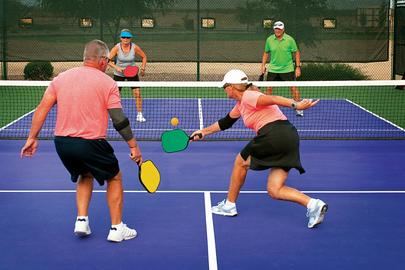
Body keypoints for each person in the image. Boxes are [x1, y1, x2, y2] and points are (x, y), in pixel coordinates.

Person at [20, 40, 142, 242]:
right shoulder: (108, 83)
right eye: (108, 60)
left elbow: (42, 107)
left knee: (85, 175)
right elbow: (119, 119)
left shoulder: (61, 78)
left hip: (62, 143)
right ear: (103, 60)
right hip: (91, 143)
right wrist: (134, 146)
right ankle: (117, 228)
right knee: (115, 177)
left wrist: (32, 137)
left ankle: (82, 221)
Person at [190, 69, 328, 229]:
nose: (224, 90)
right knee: (274, 189)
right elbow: (226, 122)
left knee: (240, 161)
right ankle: (313, 204)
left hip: (274, 134)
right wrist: (203, 132)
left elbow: (273, 98)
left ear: (231, 87)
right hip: (289, 137)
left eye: (225, 86)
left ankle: (229, 205)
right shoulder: (241, 104)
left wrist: (296, 104)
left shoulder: (250, 96)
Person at [261, 21, 304, 117]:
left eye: (279, 29)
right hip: (273, 69)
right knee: (268, 89)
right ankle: (267, 108)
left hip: (287, 69)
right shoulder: (269, 40)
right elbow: (266, 53)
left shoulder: (290, 40)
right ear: (274, 29)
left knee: (293, 89)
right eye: (276, 29)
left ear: (283, 29)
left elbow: (296, 52)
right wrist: (263, 65)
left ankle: (299, 108)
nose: (277, 30)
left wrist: (297, 67)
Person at [109, 29, 148, 122]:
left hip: (132, 72)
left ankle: (139, 115)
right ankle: (115, 114)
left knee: (137, 94)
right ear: (120, 38)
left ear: (130, 38)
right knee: (116, 95)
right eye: (124, 37)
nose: (125, 39)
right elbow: (108, 60)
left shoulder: (134, 47)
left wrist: (143, 68)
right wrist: (116, 67)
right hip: (119, 74)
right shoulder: (116, 48)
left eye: (128, 37)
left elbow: (144, 56)